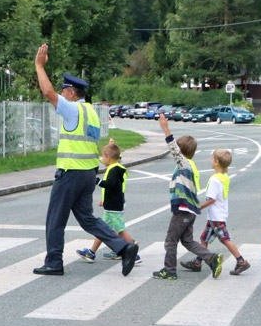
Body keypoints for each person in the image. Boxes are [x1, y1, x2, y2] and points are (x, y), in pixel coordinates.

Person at [32, 43, 138, 276]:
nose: (61, 93)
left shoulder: (72, 110)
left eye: (64, 90)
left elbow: (48, 93)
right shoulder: (91, 111)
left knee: (55, 220)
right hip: (89, 173)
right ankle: (124, 247)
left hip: (70, 173)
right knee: (87, 219)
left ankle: (53, 262)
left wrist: (39, 66)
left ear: (71, 92)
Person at [151, 113, 222, 280]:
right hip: (190, 210)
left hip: (183, 210)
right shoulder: (192, 165)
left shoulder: (183, 163)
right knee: (187, 241)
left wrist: (165, 129)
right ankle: (211, 258)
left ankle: (169, 270)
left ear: (181, 152)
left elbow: (173, 148)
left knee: (170, 241)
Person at [179, 148, 250, 275]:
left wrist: (198, 207)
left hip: (216, 217)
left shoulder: (214, 179)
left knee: (225, 239)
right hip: (216, 215)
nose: (210, 160)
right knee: (204, 238)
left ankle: (241, 261)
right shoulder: (224, 176)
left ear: (216, 162)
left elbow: (211, 199)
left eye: (212, 158)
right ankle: (198, 262)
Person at [75, 138, 140, 263]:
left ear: (108, 158)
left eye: (103, 157)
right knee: (104, 229)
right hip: (113, 204)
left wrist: (97, 181)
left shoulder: (114, 170)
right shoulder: (117, 167)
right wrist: (104, 200)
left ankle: (133, 253)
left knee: (118, 230)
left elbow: (109, 185)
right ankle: (92, 252)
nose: (101, 160)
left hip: (113, 207)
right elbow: (114, 188)